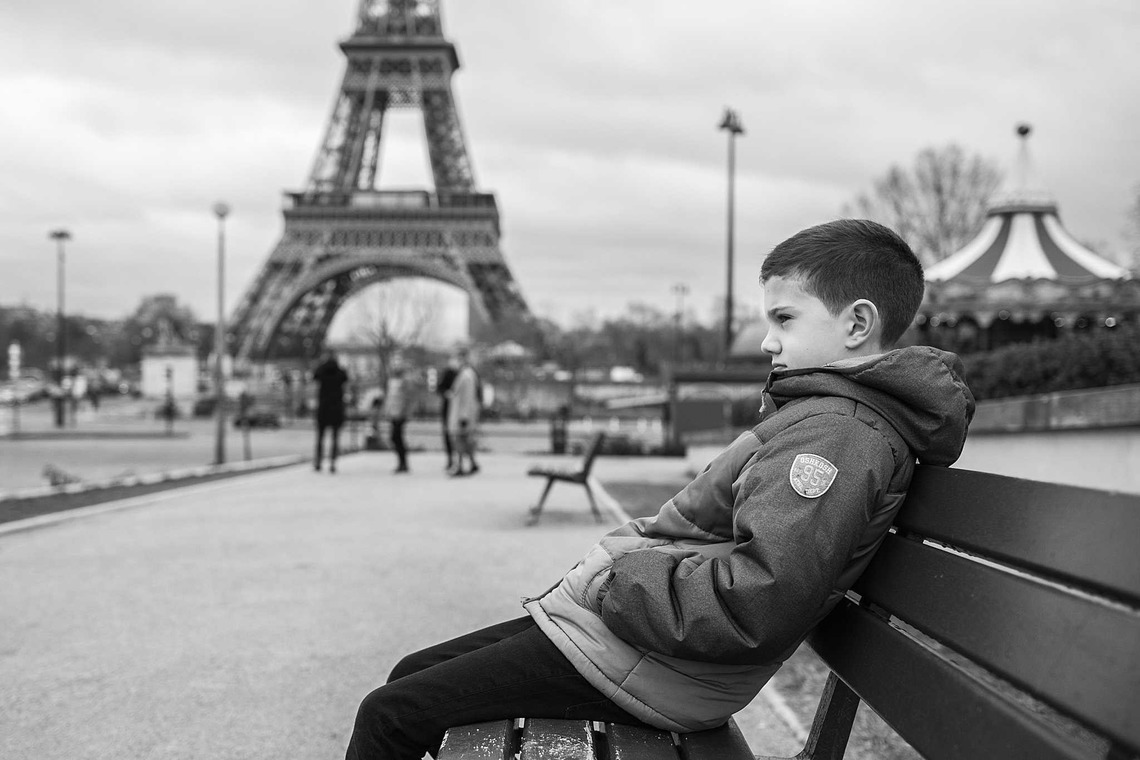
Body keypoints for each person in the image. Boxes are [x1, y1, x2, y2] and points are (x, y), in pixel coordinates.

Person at [344, 219, 976, 760]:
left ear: (859, 322)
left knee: (390, 715)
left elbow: (757, 600)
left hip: (659, 667)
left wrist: (620, 579)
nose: (767, 340)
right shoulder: (832, 420)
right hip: (646, 649)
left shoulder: (837, 435)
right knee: (409, 683)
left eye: (784, 317)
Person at [446, 347, 481, 477]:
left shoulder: (466, 376)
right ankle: (471, 463)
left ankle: (460, 465)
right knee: (465, 440)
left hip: (462, 414)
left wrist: (464, 416)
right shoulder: (466, 374)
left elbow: (467, 397)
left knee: (460, 440)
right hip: (463, 413)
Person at [312, 350, 348, 474]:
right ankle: (333, 462)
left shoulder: (321, 371)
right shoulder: (340, 372)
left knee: (320, 437)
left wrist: (321, 364)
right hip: (336, 408)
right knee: (335, 438)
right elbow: (345, 378)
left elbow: (314, 376)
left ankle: (318, 461)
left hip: (324, 407)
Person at [383, 364, 413, 473]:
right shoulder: (391, 382)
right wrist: (387, 411)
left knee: (396, 437)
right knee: (396, 437)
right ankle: (402, 462)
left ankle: (403, 462)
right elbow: (389, 399)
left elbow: (407, 399)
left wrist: (404, 412)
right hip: (393, 413)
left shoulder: (404, 382)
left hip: (400, 414)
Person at [436, 355, 459, 471]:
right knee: (448, 434)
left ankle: (459, 460)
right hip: (449, 407)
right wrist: (447, 394)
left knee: (459, 435)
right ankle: (451, 459)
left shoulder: (464, 373)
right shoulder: (449, 373)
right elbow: (439, 388)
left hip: (459, 408)